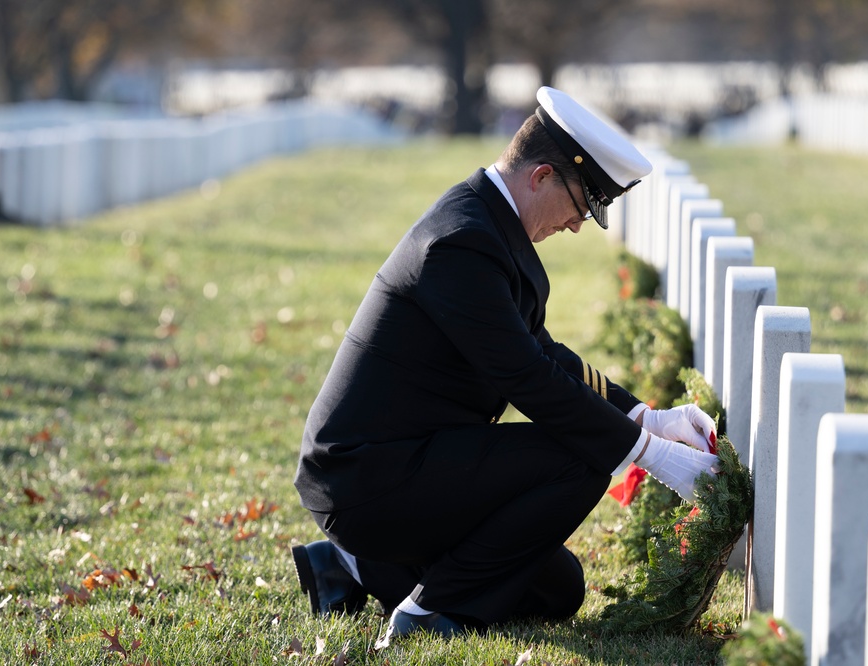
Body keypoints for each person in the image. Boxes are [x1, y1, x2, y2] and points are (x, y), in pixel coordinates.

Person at [291, 86, 720, 648]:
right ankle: (426, 610)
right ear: (541, 176)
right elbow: (527, 379)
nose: (574, 226)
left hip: (414, 459)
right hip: (367, 477)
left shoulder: (486, 227)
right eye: (580, 205)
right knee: (580, 459)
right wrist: (652, 456)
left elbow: (542, 352)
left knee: (558, 592)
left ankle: (349, 565)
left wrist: (645, 417)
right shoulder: (461, 243)